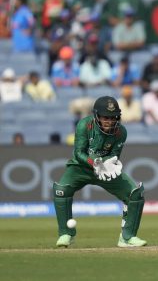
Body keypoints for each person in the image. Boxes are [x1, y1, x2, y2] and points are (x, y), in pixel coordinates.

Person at [53, 96, 147, 248]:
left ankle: (127, 237)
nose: (110, 121)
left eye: (113, 117)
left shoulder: (121, 132)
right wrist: (94, 162)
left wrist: (110, 162)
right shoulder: (84, 125)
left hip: (104, 169)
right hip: (80, 167)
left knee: (135, 194)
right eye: (106, 117)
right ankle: (66, 233)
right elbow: (79, 152)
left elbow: (115, 153)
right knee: (61, 190)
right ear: (96, 115)